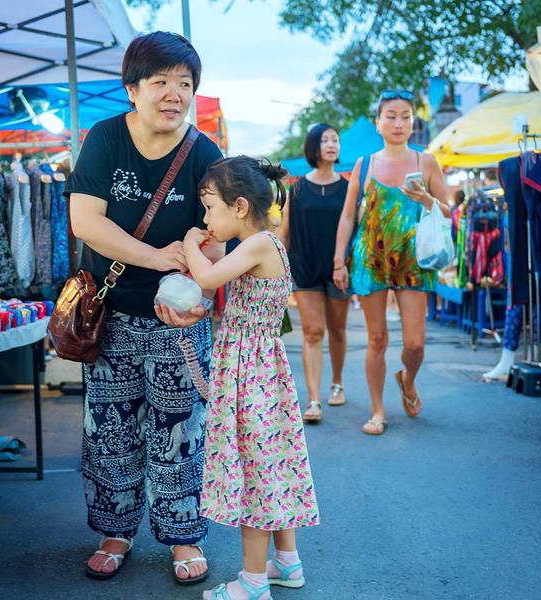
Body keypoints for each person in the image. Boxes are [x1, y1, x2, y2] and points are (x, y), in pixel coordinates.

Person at [64, 31, 223, 582]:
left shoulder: (204, 153)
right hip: (110, 314)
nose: (174, 94)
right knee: (110, 432)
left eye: (185, 83)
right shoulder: (106, 138)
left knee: (181, 429)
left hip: (177, 322)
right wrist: (156, 258)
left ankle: (184, 535)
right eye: (161, 82)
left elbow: (217, 238)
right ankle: (116, 531)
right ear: (132, 88)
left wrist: (204, 295)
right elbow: (85, 221)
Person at [183, 156, 320, 600]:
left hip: (250, 374)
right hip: (260, 370)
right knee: (272, 462)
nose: (206, 219)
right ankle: (287, 562)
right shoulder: (265, 242)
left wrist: (189, 242)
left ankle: (254, 582)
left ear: (239, 206)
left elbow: (206, 274)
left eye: (210, 208)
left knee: (255, 471)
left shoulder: (258, 243)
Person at [333, 89, 450, 435]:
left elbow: (448, 211)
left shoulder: (426, 162)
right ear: (378, 122)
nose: (399, 123)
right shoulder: (364, 164)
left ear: (413, 122)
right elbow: (348, 216)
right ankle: (377, 410)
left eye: (406, 116)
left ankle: (407, 379)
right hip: (370, 258)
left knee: (415, 343)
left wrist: (426, 199)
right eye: (391, 116)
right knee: (376, 339)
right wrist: (338, 261)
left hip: (414, 261)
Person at [279, 123, 350, 423]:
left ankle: (337, 383)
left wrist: (346, 263)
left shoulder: (348, 188)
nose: (332, 145)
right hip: (304, 267)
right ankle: (314, 400)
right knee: (312, 331)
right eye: (325, 140)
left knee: (337, 329)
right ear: (313, 146)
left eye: (335, 140)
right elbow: (285, 233)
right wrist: (277, 270)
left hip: (338, 269)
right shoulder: (296, 189)